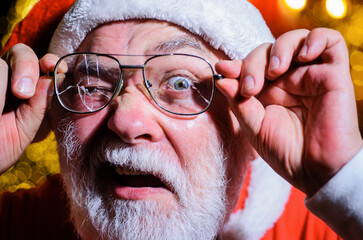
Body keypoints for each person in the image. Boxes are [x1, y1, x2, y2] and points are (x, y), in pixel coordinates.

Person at [1, 0, 363, 239]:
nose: (126, 121)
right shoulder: (26, 226)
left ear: (248, 122)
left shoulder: (328, 227)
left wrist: (345, 178)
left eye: (180, 83)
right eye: (93, 83)